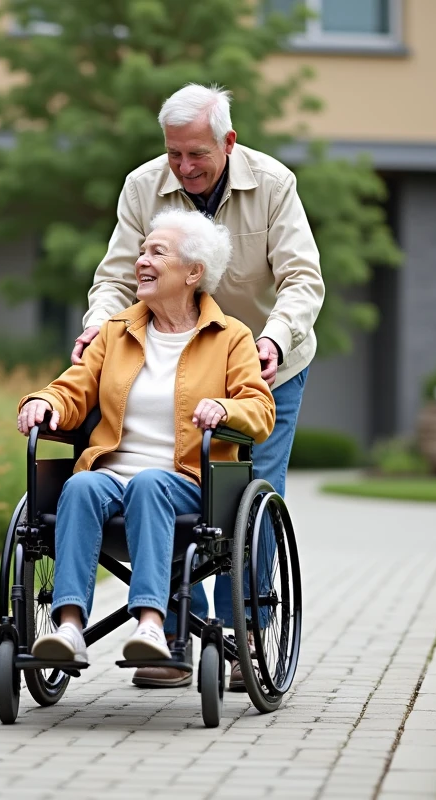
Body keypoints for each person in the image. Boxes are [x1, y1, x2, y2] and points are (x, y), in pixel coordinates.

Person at [70, 83, 325, 689]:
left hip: (259, 362)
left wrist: (274, 339)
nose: (184, 169)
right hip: (170, 352)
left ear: (227, 143)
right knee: (163, 481)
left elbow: (302, 278)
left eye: (197, 156)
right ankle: (179, 636)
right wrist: (95, 333)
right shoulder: (143, 186)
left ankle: (247, 635)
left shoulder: (272, 183)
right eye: (174, 155)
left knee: (246, 498)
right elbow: (112, 279)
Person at [17, 209, 275, 668]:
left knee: (150, 484)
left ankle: (152, 627)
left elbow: (259, 410)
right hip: (112, 477)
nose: (141, 261)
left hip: (186, 481)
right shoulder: (115, 333)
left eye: (157, 252)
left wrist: (226, 409)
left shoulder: (231, 336)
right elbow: (73, 388)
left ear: (193, 272)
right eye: (141, 252)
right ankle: (70, 627)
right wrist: (45, 403)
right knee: (79, 485)